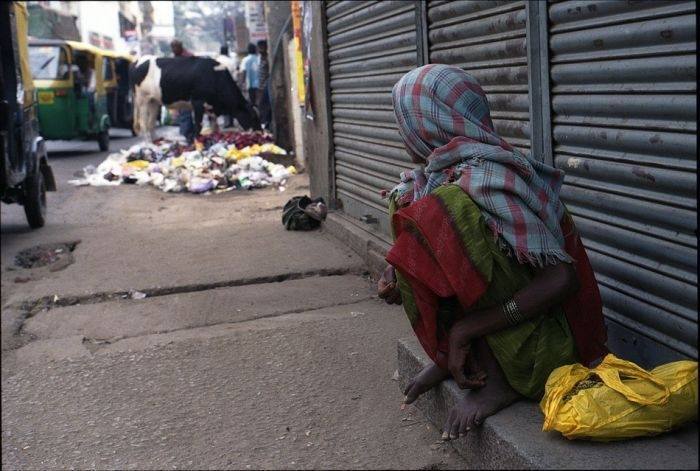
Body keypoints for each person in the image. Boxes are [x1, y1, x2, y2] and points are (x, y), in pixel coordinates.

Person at [378, 64, 608, 441]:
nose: (403, 131)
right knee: (406, 201)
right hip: (505, 330)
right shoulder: (442, 175)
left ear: (428, 123)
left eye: (406, 119)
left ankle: (496, 378)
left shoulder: (486, 179)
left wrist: (467, 329)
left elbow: (561, 278)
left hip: (548, 346)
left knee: (441, 213)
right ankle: (458, 356)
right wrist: (400, 267)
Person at [170, 39, 194, 142]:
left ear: (180, 47)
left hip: (188, 89)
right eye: (172, 47)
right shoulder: (174, 58)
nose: (174, 50)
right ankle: (188, 134)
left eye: (175, 47)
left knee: (185, 112)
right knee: (183, 112)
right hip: (178, 89)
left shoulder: (189, 57)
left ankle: (187, 135)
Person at [256, 39, 271, 129]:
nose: (260, 50)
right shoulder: (260, 59)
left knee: (267, 106)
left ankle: (267, 124)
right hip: (261, 86)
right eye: (259, 48)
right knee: (262, 105)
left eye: (262, 48)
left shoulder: (268, 58)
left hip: (267, 85)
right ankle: (265, 124)